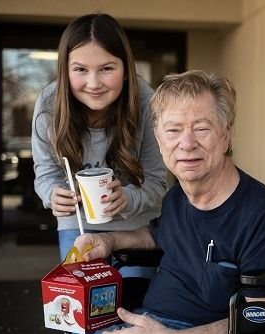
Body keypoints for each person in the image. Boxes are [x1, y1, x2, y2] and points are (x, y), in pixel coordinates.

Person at [1, 70, 265, 334]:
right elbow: (157, 236)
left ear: (226, 135)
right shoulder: (177, 198)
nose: (186, 143)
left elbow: (261, 317)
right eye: (173, 130)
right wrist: (110, 241)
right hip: (141, 329)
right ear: (160, 141)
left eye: (202, 129)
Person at [31, 13, 167, 271]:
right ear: (65, 70)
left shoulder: (147, 104)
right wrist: (51, 194)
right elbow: (45, 174)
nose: (93, 83)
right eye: (81, 69)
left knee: (133, 304)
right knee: (84, 306)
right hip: (78, 227)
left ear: (126, 69)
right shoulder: (49, 105)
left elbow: (157, 182)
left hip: (136, 229)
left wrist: (127, 198)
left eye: (106, 68)